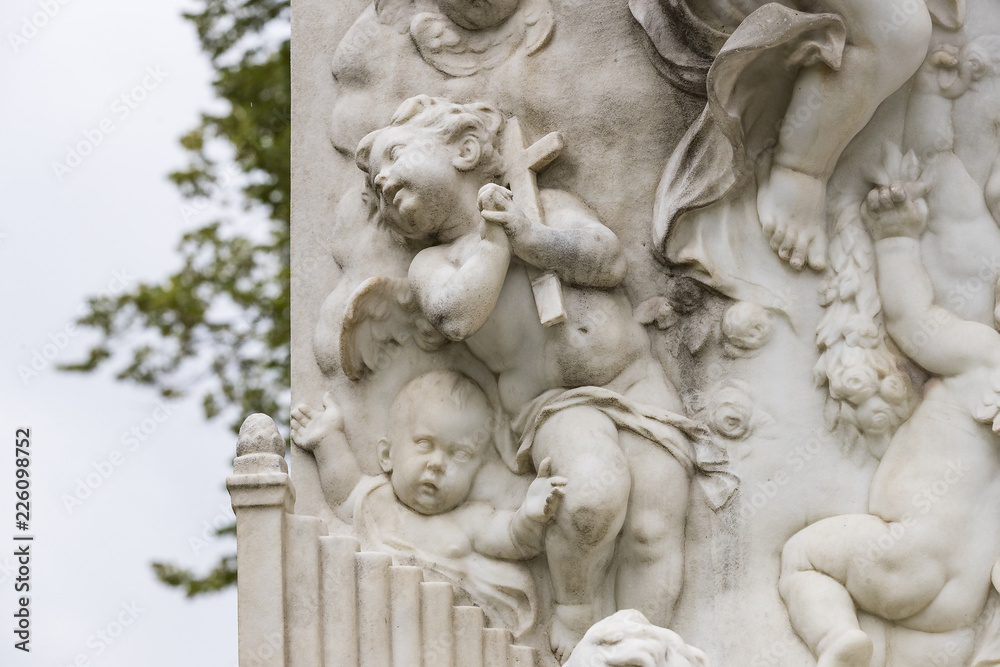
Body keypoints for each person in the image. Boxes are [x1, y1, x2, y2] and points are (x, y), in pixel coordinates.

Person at [354, 95, 736, 660]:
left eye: (395, 155)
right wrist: (497, 241)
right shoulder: (434, 263)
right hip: (557, 406)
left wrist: (533, 236)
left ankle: (643, 645)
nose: (383, 180)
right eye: (374, 183)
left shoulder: (546, 205)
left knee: (654, 532)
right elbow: (457, 313)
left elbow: (607, 262)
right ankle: (578, 609)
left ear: (464, 150)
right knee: (590, 499)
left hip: (636, 384)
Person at [778, 177, 1000, 666]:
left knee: (805, 558)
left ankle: (837, 639)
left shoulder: (986, 356)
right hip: (964, 598)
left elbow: (909, 320)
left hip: (904, 552)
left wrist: (896, 238)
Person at [291, 371, 566, 636]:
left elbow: (511, 538)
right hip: (382, 627)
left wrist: (530, 514)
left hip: (451, 633)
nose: (437, 464)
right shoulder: (378, 502)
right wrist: (327, 438)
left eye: (459, 454)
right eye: (424, 444)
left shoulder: (471, 519)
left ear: (475, 473)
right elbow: (343, 489)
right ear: (387, 455)